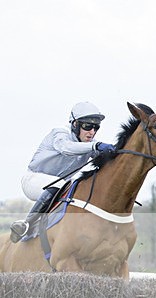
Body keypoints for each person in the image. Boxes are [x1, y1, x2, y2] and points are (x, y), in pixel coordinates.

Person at [9, 101, 116, 243]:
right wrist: (95, 146)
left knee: (73, 189)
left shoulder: (89, 143)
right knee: (61, 184)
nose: (92, 132)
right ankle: (26, 225)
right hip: (32, 180)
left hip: (60, 187)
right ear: (75, 124)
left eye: (96, 127)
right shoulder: (59, 133)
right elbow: (67, 148)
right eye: (87, 126)